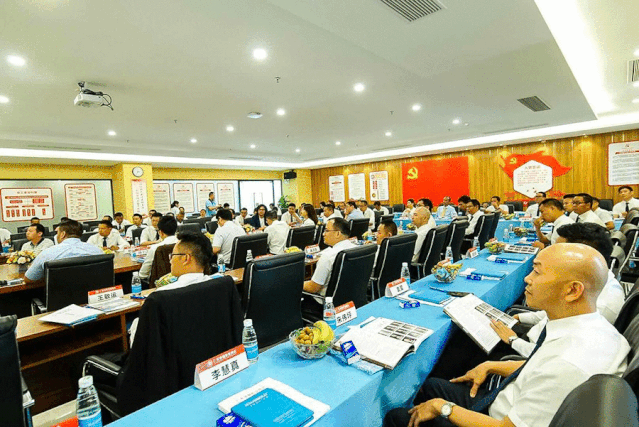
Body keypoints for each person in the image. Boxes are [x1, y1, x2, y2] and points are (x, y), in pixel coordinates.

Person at [384, 243, 630, 427]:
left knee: (397, 417)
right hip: (508, 397)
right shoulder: (591, 326)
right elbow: (540, 367)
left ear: (572, 290)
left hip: (500, 418)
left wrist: (443, 408)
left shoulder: (567, 363)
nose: (527, 279)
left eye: (537, 272)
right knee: (433, 385)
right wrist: (493, 365)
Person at [504, 223, 625, 361]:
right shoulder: (591, 283)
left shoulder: (600, 307)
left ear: (580, 256)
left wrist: (513, 340)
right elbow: (555, 313)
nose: (527, 279)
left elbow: (546, 358)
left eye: (556, 249)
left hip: (530, 353)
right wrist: (521, 318)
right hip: (535, 339)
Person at [129, 231, 214, 344]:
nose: (170, 261)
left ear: (186, 258)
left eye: (172, 256)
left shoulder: (160, 296)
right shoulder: (217, 285)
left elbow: (142, 342)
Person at [302, 218, 356, 311]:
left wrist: (296, 283)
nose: (323, 234)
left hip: (325, 306)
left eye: (326, 230)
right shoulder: (357, 249)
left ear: (338, 233)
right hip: (350, 301)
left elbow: (313, 288)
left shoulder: (328, 256)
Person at [24, 220, 103, 282]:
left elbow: (29, 278)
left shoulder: (48, 253)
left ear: (63, 234)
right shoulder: (97, 251)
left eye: (57, 233)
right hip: (92, 295)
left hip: (60, 296)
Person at [139, 215, 178, 280]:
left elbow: (143, 274)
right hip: (180, 280)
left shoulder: (155, 248)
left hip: (160, 283)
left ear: (160, 232)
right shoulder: (184, 245)